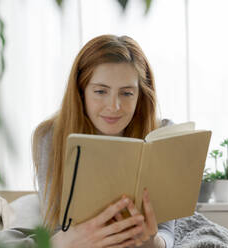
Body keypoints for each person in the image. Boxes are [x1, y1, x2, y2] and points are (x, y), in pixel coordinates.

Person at [32, 34, 175, 248]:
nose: (114, 106)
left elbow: (166, 231)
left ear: (140, 95)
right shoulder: (49, 137)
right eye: (100, 91)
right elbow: (53, 229)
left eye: (127, 93)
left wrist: (152, 243)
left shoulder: (162, 133)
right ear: (81, 92)